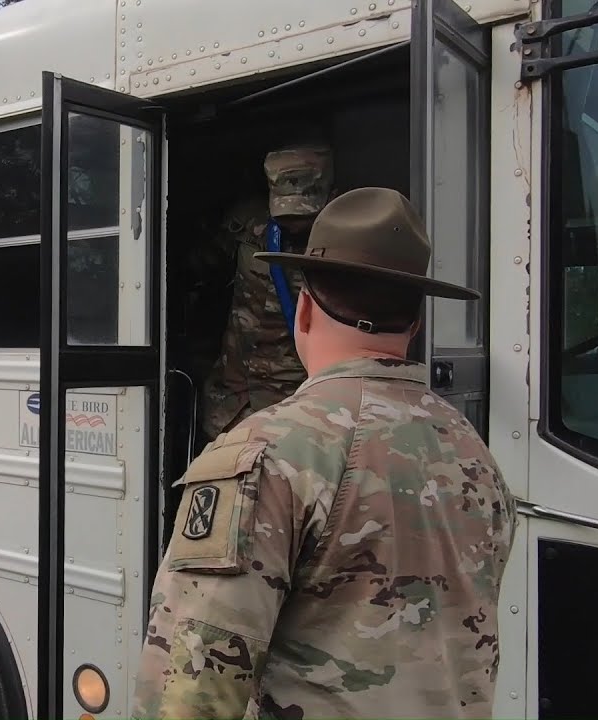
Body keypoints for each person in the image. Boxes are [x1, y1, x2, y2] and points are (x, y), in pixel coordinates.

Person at [133, 187, 518, 719]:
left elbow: (191, 696)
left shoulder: (265, 456)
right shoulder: (476, 457)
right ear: (416, 324)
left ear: (305, 308)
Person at [198, 140, 336, 441]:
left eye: (304, 214)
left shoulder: (346, 240)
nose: (293, 224)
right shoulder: (246, 223)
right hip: (233, 406)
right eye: (285, 213)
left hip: (299, 413)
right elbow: (202, 270)